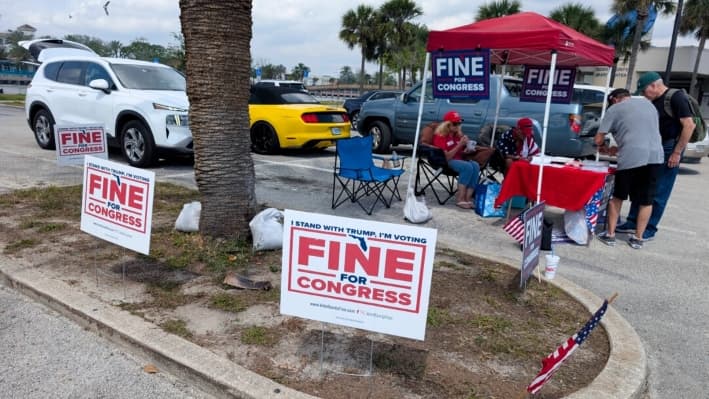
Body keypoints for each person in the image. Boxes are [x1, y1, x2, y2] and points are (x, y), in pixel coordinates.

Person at [615, 72, 696, 241]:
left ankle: (649, 227)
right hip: (650, 146)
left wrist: (676, 152)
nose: (644, 95)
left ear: (654, 85)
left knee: (659, 190)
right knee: (640, 186)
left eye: (644, 91)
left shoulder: (676, 98)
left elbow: (689, 125)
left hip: (668, 148)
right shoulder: (653, 101)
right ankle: (632, 221)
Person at [594, 88, 664, 249]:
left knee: (618, 197)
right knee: (646, 200)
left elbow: (598, 139)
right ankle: (638, 238)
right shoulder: (649, 105)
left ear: (614, 99)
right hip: (655, 156)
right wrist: (619, 147)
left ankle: (610, 235)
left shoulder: (615, 109)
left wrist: (603, 146)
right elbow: (641, 135)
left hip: (631, 158)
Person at [431, 110, 480, 209]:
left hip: (458, 160)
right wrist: (460, 145)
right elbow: (447, 157)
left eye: (459, 123)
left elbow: (459, 153)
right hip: (446, 162)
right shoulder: (440, 136)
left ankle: (468, 198)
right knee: (467, 167)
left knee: (475, 165)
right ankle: (460, 199)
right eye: (455, 123)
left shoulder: (457, 135)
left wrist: (467, 150)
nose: (457, 125)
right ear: (447, 125)